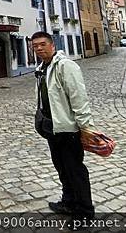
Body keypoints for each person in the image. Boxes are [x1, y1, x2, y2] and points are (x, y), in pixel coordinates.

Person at [31, 31, 95, 227]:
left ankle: (84, 213)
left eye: (42, 44)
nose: (39, 48)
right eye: (35, 46)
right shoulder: (42, 68)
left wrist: (85, 128)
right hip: (52, 128)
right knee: (61, 168)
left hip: (68, 130)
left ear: (52, 45)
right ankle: (68, 202)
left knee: (75, 170)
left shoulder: (66, 67)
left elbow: (79, 98)